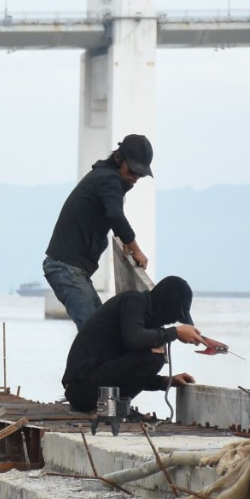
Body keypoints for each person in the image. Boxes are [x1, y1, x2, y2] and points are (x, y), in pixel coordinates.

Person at [42, 133, 155, 327]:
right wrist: (135, 248)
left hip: (73, 269)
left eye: (141, 174)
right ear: (119, 158)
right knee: (94, 332)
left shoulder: (105, 177)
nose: (135, 177)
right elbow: (115, 215)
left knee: (102, 329)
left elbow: (110, 214)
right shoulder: (109, 180)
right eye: (133, 170)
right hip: (66, 268)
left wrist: (124, 240)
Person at [61, 275, 204, 415]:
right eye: (178, 314)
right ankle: (119, 408)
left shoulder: (142, 319)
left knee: (153, 356)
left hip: (87, 389)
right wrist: (174, 333)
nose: (174, 320)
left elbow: (127, 373)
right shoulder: (133, 301)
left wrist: (165, 382)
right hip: (81, 389)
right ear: (169, 304)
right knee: (155, 357)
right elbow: (135, 340)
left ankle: (118, 407)